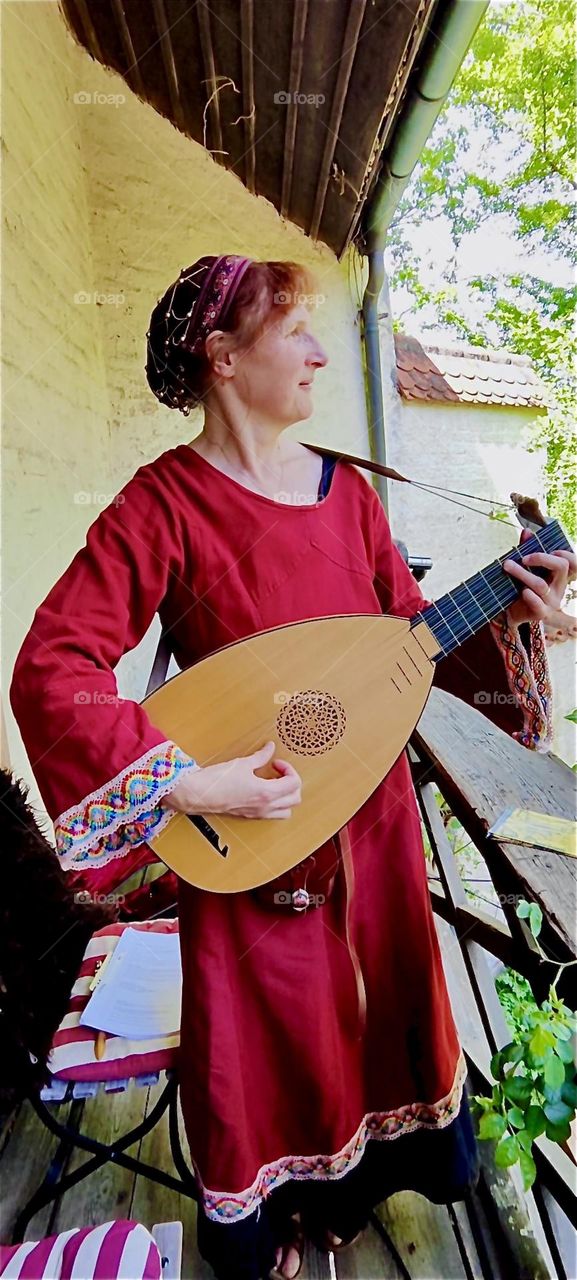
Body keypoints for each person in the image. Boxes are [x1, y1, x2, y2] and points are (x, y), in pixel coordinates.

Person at [10, 255, 572, 1280]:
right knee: (265, 1056)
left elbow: (412, 645)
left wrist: (517, 611)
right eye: (295, 330)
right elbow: (54, 669)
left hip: (373, 824)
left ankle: (354, 1204)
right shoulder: (161, 506)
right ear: (222, 357)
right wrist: (189, 781)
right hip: (255, 840)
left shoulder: (352, 496)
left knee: (378, 1025)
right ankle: (276, 1226)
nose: (320, 349)